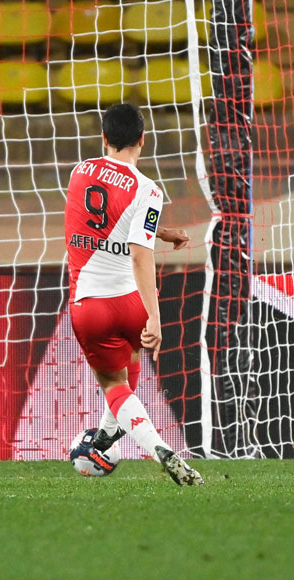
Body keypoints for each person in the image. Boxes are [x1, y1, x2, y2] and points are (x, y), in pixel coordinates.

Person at [65, 103, 203, 486]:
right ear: (144, 139)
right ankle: (107, 437)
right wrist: (153, 315)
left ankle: (162, 450)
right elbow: (138, 248)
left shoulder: (79, 172)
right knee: (129, 371)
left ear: (104, 137)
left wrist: (157, 233)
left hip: (91, 305)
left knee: (112, 384)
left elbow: (106, 218)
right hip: (130, 304)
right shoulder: (149, 190)